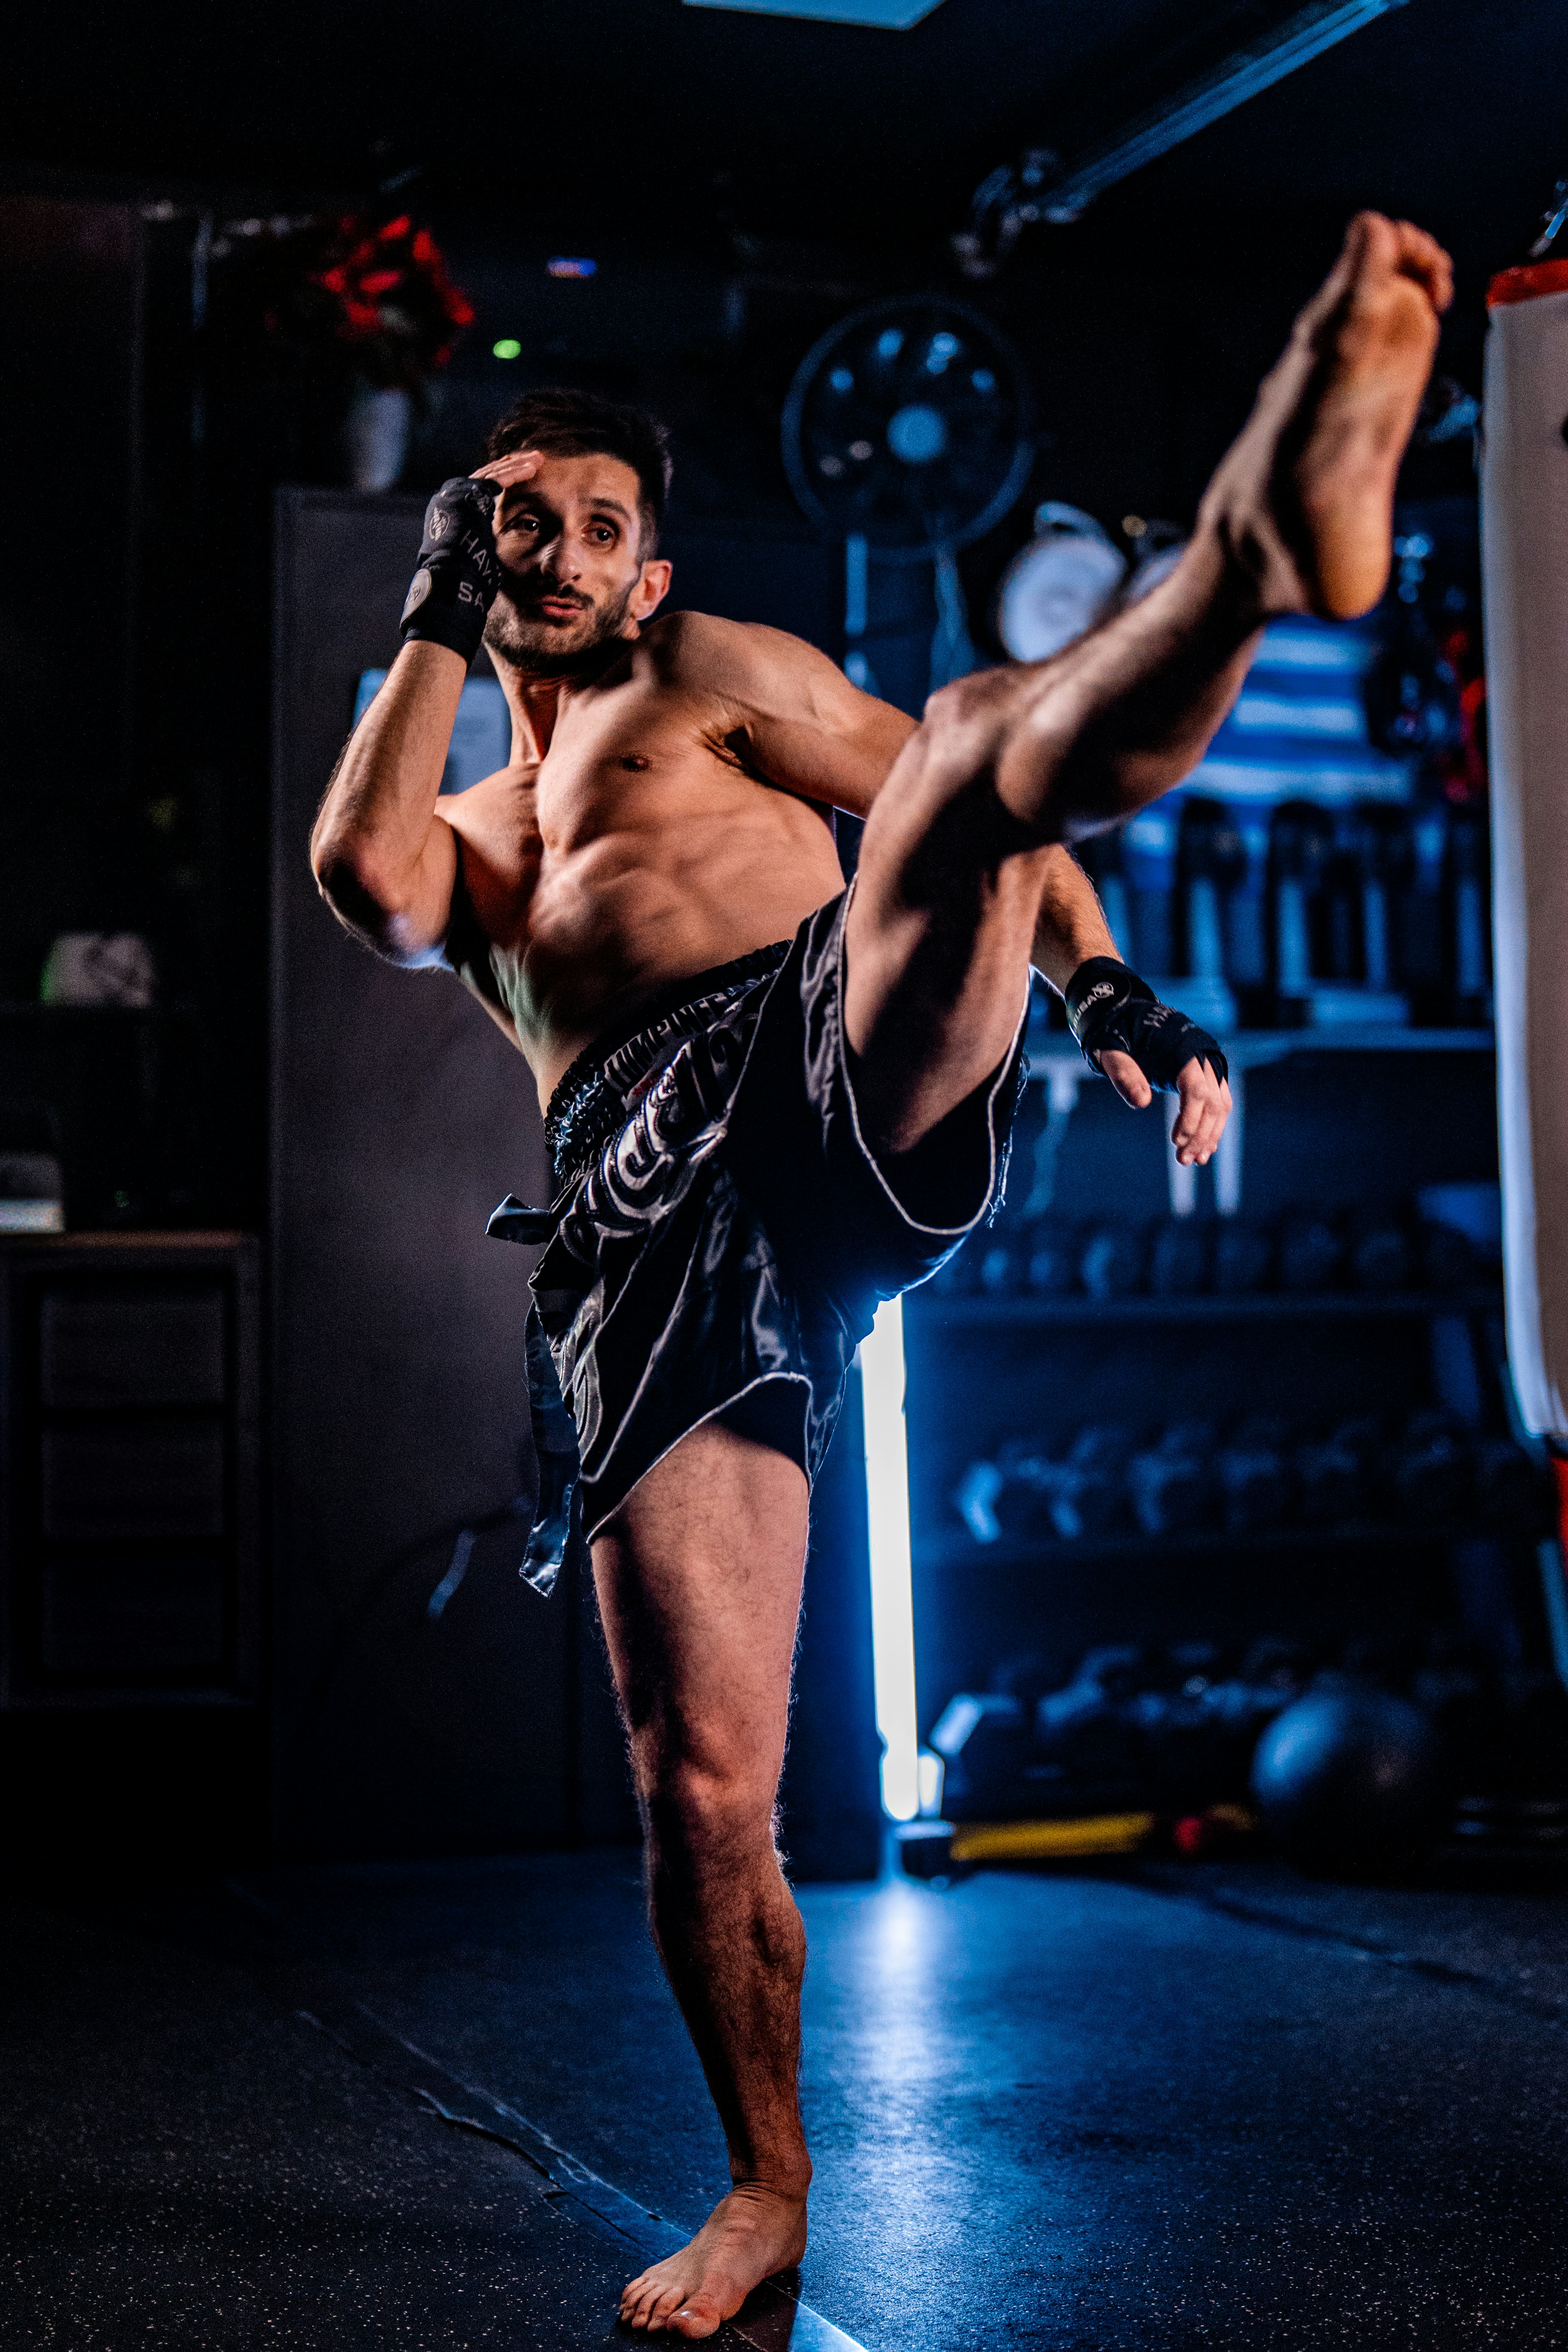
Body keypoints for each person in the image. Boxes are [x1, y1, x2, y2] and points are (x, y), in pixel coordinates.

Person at [311, 210, 1450, 2338]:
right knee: (705, 1780)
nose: (554, 550)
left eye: (592, 526)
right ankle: (765, 2188)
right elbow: (365, 885)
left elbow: (999, 815)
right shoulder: (461, 816)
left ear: (652, 571)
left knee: (961, 764)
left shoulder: (714, 676)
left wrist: (1122, 1006)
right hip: (636, 1218)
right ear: (468, 552)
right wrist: (430, 620)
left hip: (820, 1046)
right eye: (515, 522)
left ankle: (1245, 548)